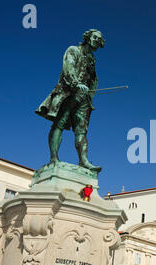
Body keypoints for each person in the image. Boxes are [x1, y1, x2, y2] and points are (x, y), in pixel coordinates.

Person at [36, 29, 105, 172]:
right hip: (68, 94)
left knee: (81, 131)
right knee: (59, 124)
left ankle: (84, 161)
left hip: (84, 98)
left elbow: (93, 80)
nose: (96, 41)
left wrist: (90, 95)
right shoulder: (73, 50)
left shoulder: (92, 60)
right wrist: (75, 83)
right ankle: (54, 158)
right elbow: (68, 68)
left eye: (99, 40)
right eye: (94, 37)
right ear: (87, 37)